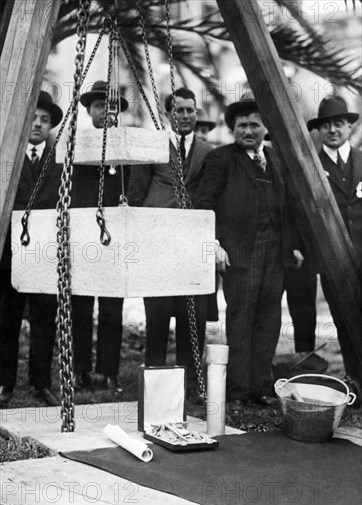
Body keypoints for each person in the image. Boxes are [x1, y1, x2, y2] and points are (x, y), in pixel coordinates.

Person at [197, 95, 302, 406]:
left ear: (264, 127)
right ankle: (239, 391)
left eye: (254, 124)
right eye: (241, 125)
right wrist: (213, 245)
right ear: (232, 128)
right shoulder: (220, 160)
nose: (248, 130)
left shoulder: (277, 159)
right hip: (240, 256)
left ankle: (260, 387)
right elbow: (204, 205)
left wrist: (293, 245)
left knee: (269, 322)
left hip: (275, 256)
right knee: (241, 322)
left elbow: (290, 207)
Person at [127, 87, 212, 401]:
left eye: (191, 110)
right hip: (157, 242)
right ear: (168, 113)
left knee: (194, 315)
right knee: (158, 315)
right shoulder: (152, 146)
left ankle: (191, 386)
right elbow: (136, 194)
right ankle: (154, 385)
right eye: (179, 110)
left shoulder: (207, 151)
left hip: (192, 245)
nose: (186, 116)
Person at [0, 91, 63, 406]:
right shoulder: (7, 154)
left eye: (44, 120)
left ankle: (41, 384)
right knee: (6, 318)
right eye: (33, 118)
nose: (37, 124)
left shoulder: (59, 158)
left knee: (44, 318)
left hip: (44, 253)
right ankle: (4, 383)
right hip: (9, 252)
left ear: (51, 125)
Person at [70, 80, 129, 393]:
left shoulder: (127, 145)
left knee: (111, 308)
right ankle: (79, 370)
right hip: (82, 235)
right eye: (98, 105)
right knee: (80, 307)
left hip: (116, 237)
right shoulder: (76, 143)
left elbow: (136, 186)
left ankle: (107, 371)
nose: (106, 111)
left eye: (111, 105)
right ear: (89, 110)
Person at [307, 95, 362, 391]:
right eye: (326, 125)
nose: (332, 130)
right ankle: (357, 381)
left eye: (338, 123)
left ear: (349, 126)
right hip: (332, 259)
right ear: (319, 131)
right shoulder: (311, 167)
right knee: (344, 320)